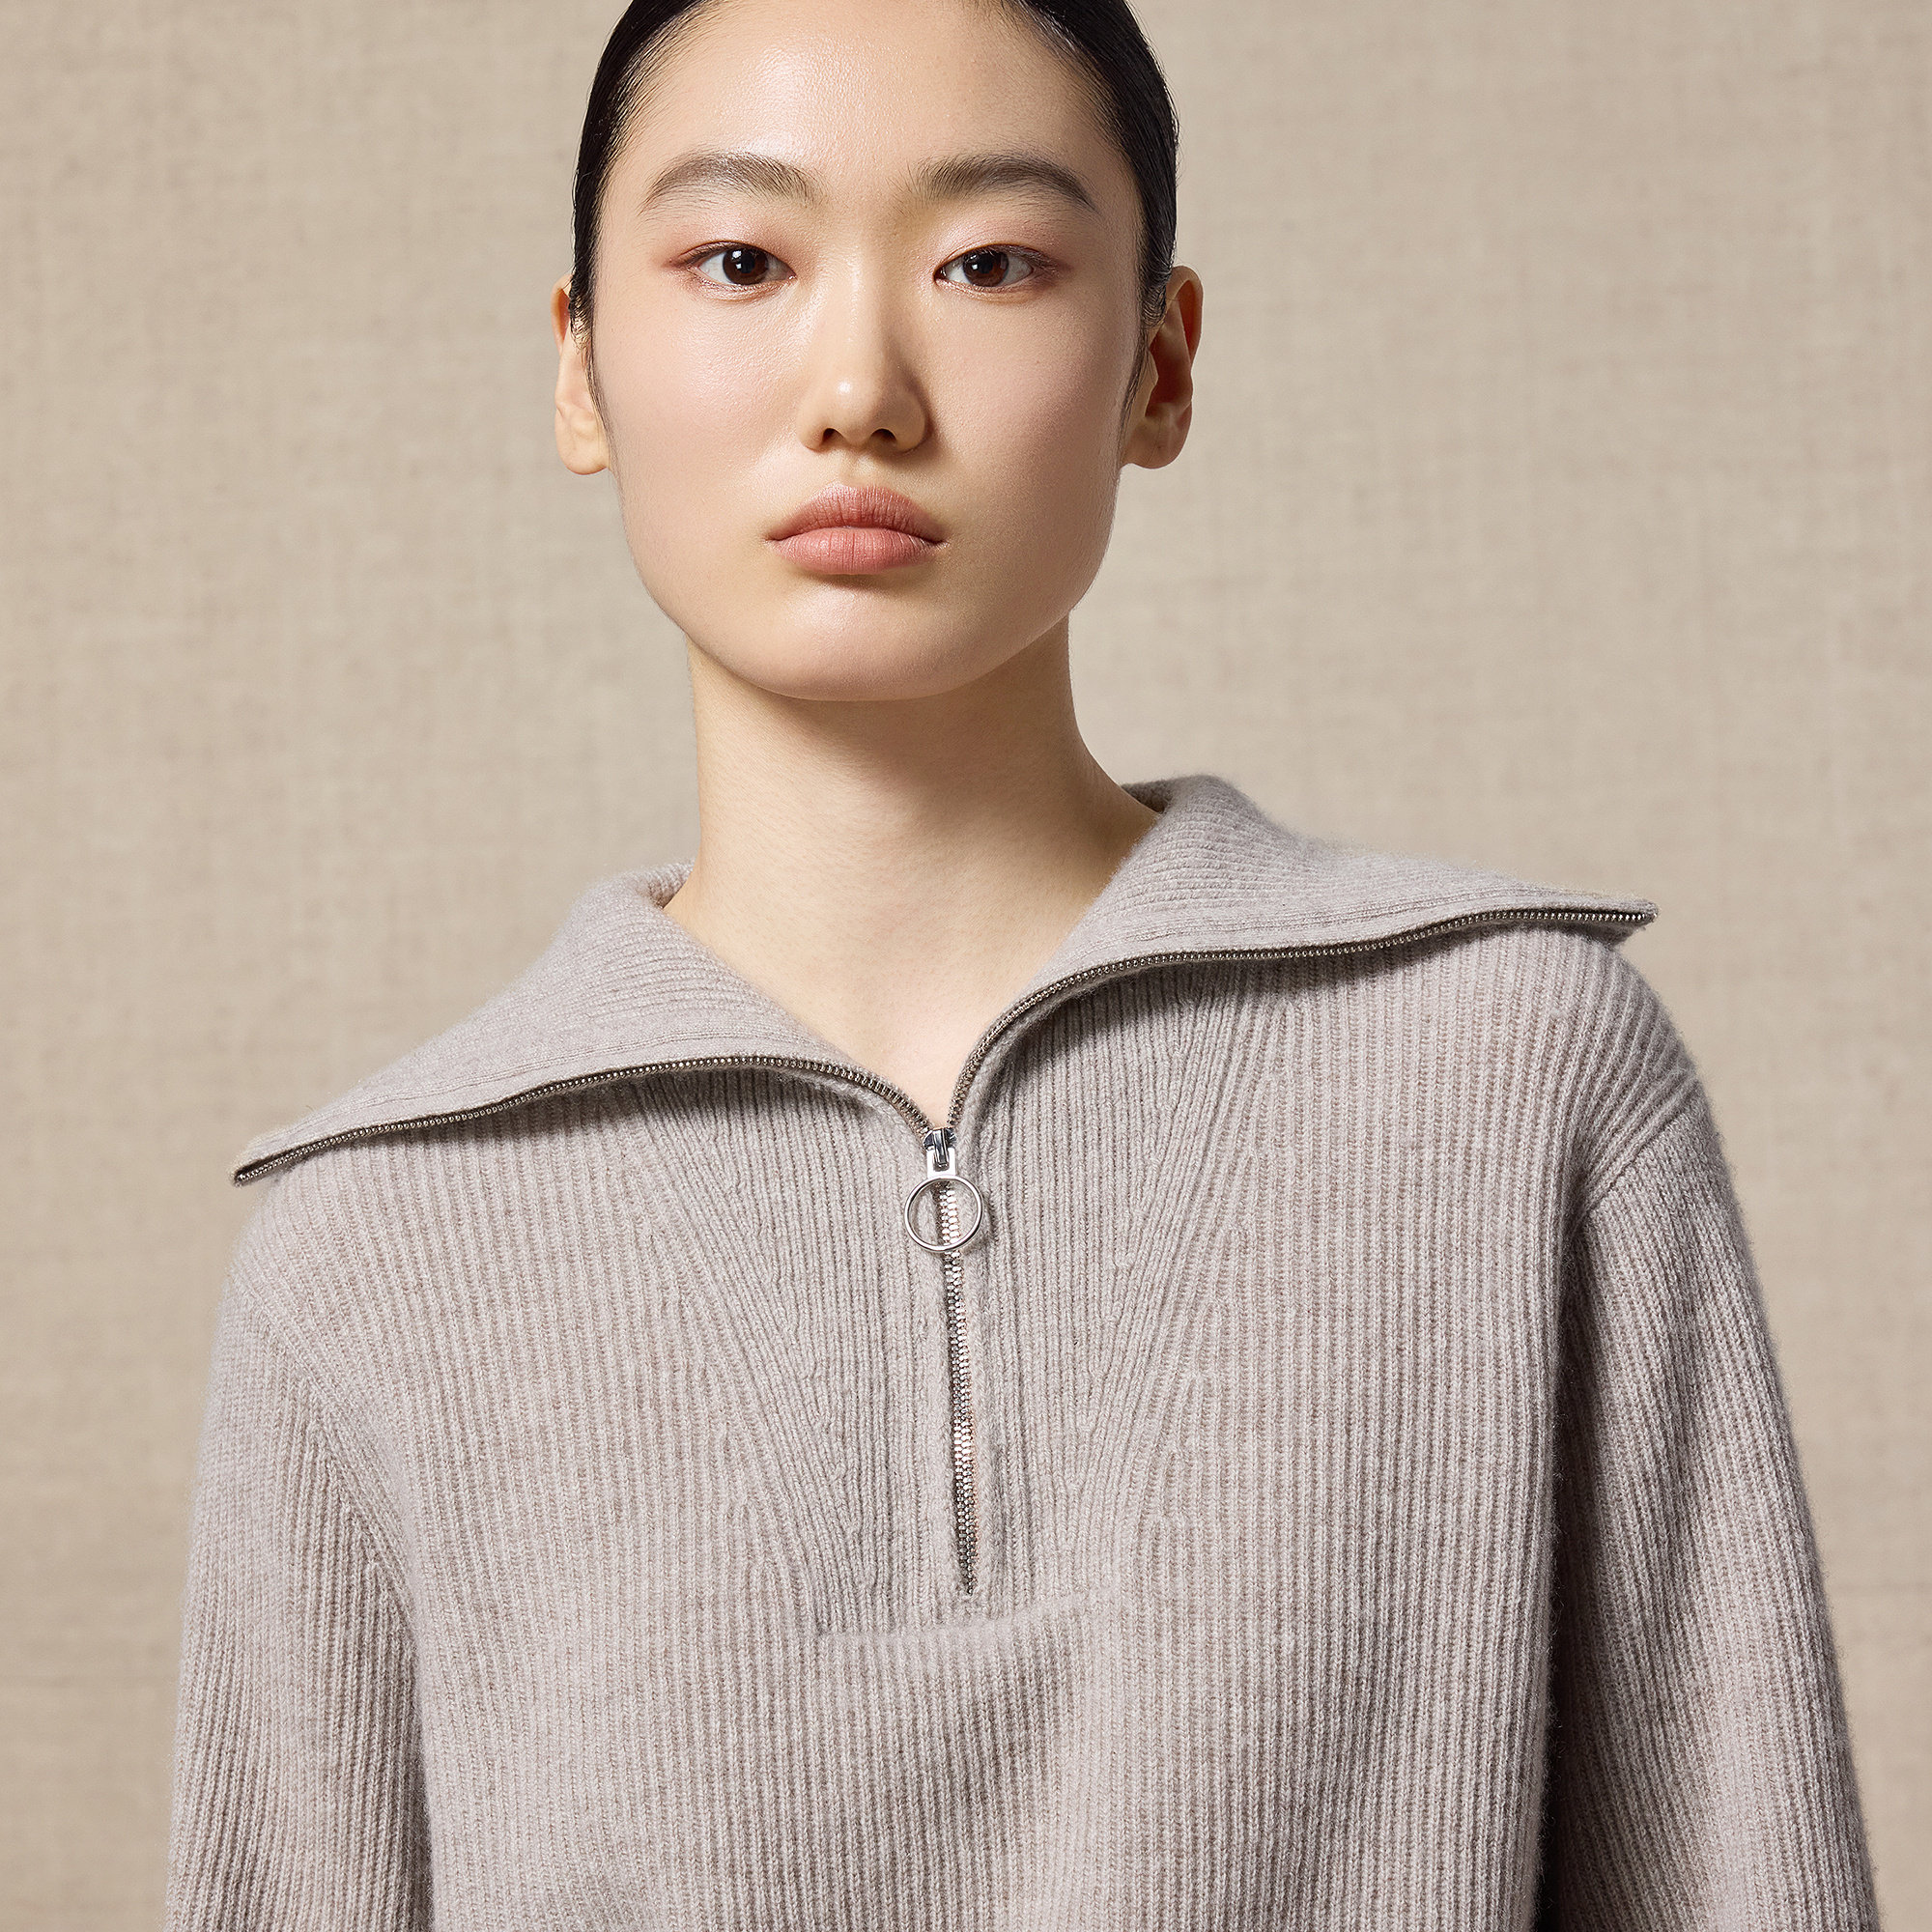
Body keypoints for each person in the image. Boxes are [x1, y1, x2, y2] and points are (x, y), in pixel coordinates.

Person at [164, 0, 1880, 1924]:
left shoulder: (1521, 1076)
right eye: (739, 261)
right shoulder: (372, 1248)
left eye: (989, 263)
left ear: (1160, 364)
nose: (859, 390)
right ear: (580, 369)